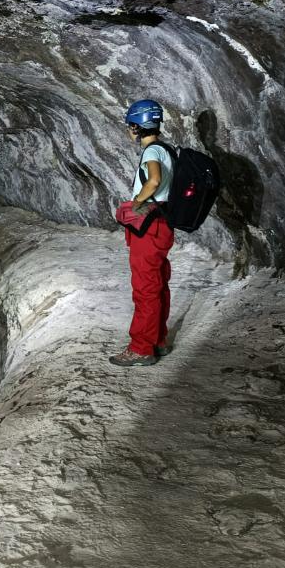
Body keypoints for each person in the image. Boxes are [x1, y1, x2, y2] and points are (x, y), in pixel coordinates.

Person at [110, 99, 175, 367]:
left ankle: (141, 348)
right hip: (164, 224)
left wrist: (137, 203)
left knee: (145, 289)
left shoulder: (151, 152)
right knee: (158, 284)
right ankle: (157, 340)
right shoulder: (167, 149)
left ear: (137, 126)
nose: (129, 131)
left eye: (130, 126)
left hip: (149, 226)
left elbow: (155, 180)